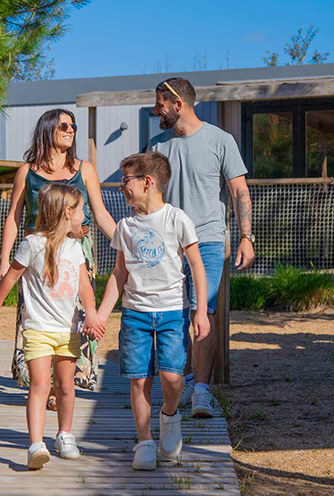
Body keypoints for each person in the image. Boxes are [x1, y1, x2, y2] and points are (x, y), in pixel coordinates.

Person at [87, 151, 210, 471]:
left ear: (147, 182)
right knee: (139, 380)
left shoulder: (177, 219)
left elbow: (197, 266)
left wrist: (200, 311)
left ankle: (169, 415)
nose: (121, 187)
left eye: (125, 180)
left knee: (172, 376)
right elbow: (119, 274)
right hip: (135, 314)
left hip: (172, 312)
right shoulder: (125, 226)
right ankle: (144, 442)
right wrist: (101, 314)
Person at [148, 77, 255, 419]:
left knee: (202, 313)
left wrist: (246, 236)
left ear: (178, 104)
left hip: (208, 240)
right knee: (173, 315)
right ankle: (181, 385)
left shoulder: (220, 141)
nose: (156, 111)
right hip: (168, 244)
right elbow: (149, 197)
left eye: (160, 104)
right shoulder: (157, 145)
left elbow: (239, 190)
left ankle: (202, 392)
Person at [0, 108, 116, 407]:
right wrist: (4, 259)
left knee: (75, 315)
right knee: (38, 314)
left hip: (77, 250)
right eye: (63, 125)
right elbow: (13, 217)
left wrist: (126, 243)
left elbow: (100, 213)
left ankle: (65, 385)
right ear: (48, 128)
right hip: (36, 253)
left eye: (73, 125)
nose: (70, 129)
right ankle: (43, 384)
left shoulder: (85, 170)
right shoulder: (26, 172)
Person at [0, 184, 98, 470]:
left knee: (65, 386)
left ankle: (65, 435)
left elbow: (84, 286)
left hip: (69, 330)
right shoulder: (32, 244)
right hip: (37, 329)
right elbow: (11, 277)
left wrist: (93, 315)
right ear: (67, 212)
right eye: (81, 210)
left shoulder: (75, 248)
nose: (84, 216)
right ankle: (36, 444)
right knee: (40, 385)